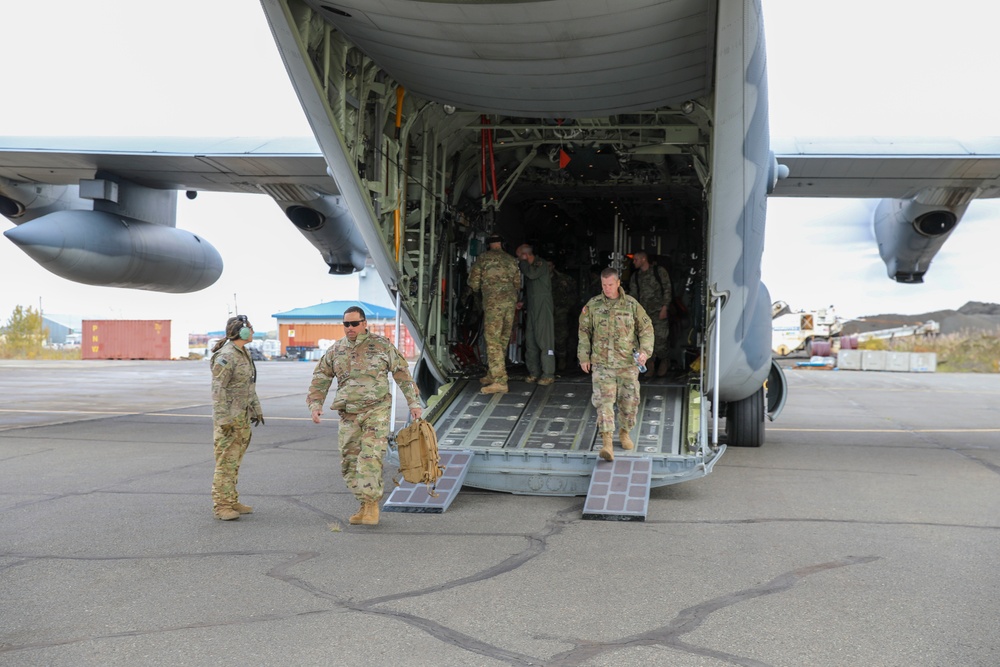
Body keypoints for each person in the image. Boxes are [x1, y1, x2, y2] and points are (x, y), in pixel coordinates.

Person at [307, 306, 422, 527]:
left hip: (376, 411)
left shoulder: (381, 346)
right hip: (349, 414)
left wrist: (413, 403)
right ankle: (363, 502)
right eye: (346, 324)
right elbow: (321, 376)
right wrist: (315, 404)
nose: (350, 329)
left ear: (364, 323)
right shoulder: (336, 350)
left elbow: (402, 374)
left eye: (354, 324)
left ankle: (371, 505)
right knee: (349, 463)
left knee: (369, 458)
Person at [578, 268, 654, 461]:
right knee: (604, 403)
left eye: (610, 284)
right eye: (604, 285)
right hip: (602, 365)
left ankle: (624, 431)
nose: (607, 288)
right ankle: (607, 443)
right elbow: (584, 331)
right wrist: (584, 356)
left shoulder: (631, 305)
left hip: (627, 365)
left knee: (629, 403)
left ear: (618, 283)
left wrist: (645, 352)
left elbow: (646, 329)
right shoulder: (593, 305)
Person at [210, 315, 264, 521]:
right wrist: (223, 420)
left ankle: (231, 500)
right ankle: (222, 505)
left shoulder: (243, 353)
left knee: (234, 462)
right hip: (230, 421)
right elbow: (217, 390)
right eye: (250, 328)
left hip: (242, 418)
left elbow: (249, 386)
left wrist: (257, 409)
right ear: (241, 331)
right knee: (225, 463)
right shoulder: (226, 356)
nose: (252, 331)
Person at [467, 234, 521, 394]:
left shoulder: (483, 259)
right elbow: (517, 283)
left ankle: (500, 380)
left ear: (489, 245)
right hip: (509, 303)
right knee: (502, 339)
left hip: (494, 304)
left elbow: (474, 283)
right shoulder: (511, 260)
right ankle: (493, 373)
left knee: (492, 340)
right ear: (501, 244)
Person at [515, 243, 556, 385]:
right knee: (531, 340)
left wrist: (522, 264)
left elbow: (532, 275)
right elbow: (532, 289)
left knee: (545, 340)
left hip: (543, 307)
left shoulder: (540, 264)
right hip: (532, 307)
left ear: (525, 255)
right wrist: (523, 302)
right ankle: (534, 372)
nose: (519, 259)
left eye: (520, 256)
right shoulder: (531, 267)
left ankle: (548, 373)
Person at [628, 250, 673, 376]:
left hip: (658, 312)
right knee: (644, 340)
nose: (634, 262)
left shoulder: (659, 272)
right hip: (644, 315)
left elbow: (667, 289)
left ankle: (664, 360)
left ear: (643, 259)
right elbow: (633, 296)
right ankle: (650, 365)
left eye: (636, 259)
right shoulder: (635, 277)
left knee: (660, 339)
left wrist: (665, 307)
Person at [549, 261, 578, 372]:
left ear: (553, 266)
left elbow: (573, 294)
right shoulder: (541, 278)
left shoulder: (564, 279)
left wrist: (566, 307)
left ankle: (561, 359)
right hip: (545, 311)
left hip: (560, 312)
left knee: (560, 337)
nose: (548, 268)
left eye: (550, 265)